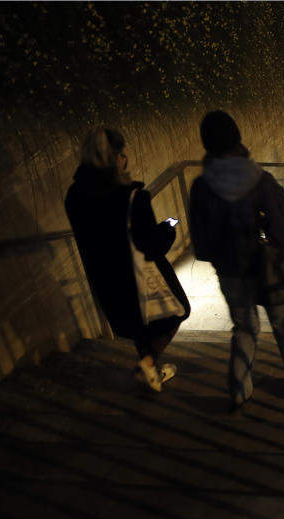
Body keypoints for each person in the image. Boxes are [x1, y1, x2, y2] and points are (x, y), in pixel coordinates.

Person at [189, 110, 284, 411]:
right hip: (267, 267)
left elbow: (201, 245)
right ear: (237, 138)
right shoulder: (259, 179)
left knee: (244, 328)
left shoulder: (201, 187)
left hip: (230, 271)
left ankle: (239, 390)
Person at [65, 127, 190, 392]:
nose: (125, 158)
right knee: (179, 311)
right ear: (116, 158)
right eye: (122, 153)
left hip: (105, 278)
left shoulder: (74, 196)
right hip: (137, 278)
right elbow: (151, 245)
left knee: (137, 324)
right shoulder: (133, 198)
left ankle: (151, 371)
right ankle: (146, 365)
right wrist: (168, 227)